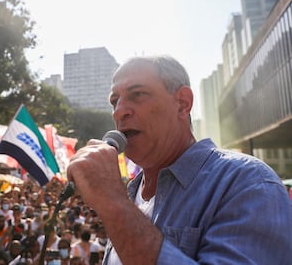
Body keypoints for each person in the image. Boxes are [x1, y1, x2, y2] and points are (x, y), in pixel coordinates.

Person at [67, 56, 292, 264]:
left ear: (183, 103)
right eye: (114, 101)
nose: (119, 112)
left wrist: (113, 202)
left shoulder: (248, 183)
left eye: (137, 95)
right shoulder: (130, 194)